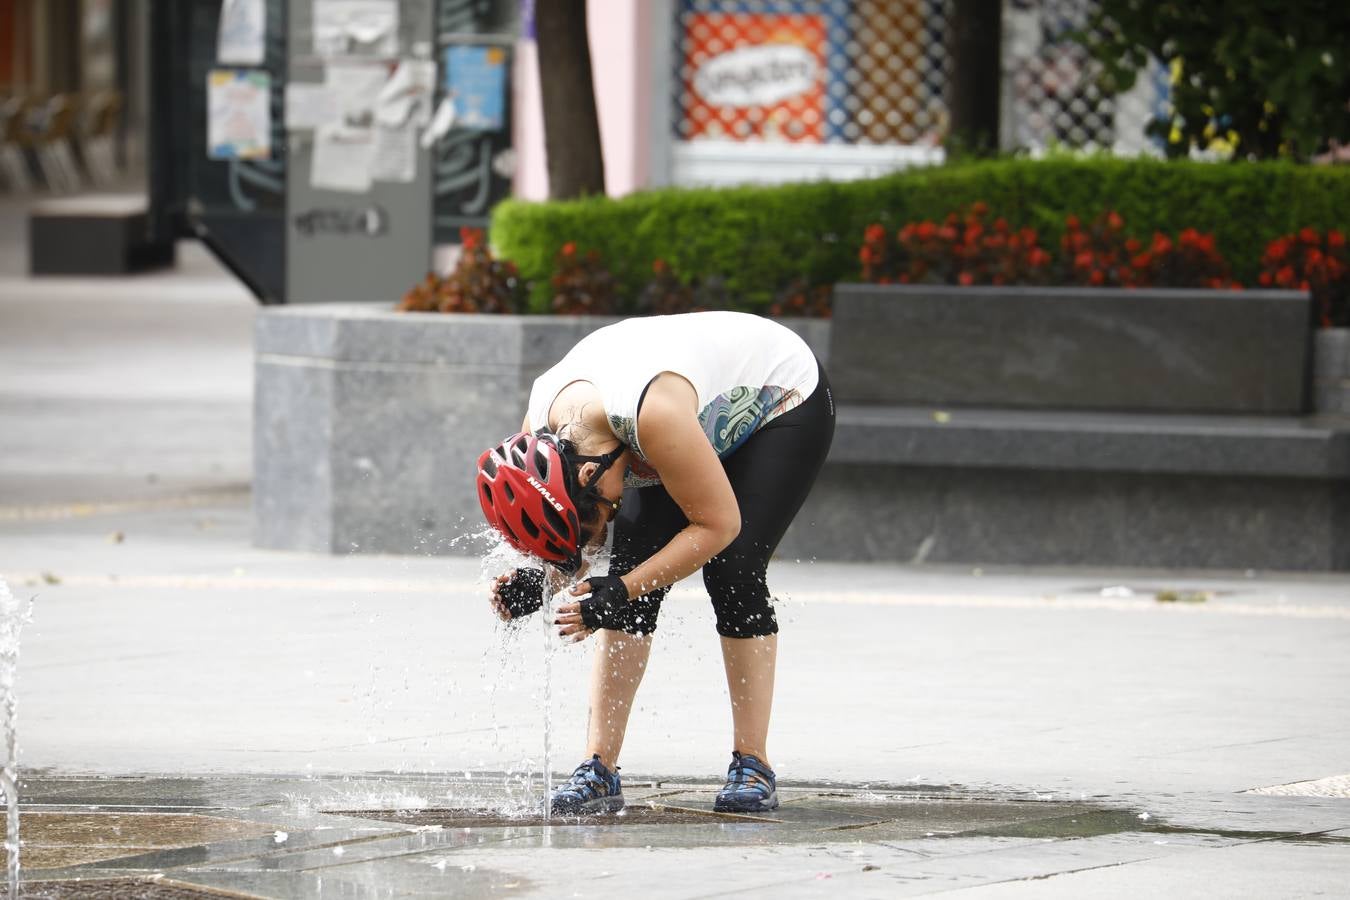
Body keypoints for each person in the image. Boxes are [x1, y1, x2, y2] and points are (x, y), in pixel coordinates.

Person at [476, 310, 834, 815]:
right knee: (630, 562)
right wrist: (545, 579)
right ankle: (598, 768)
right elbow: (579, 532)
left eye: (597, 514)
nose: (599, 527)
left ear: (589, 473)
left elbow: (717, 526)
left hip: (776, 402)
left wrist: (618, 590)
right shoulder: (544, 430)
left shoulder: (650, 416)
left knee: (732, 569)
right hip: (679, 416)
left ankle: (753, 763)